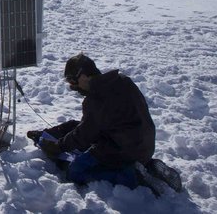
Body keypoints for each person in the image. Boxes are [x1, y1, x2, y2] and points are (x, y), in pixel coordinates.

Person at [28, 53, 182, 194]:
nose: (73, 87)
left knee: (76, 171)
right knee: (90, 141)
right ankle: (148, 167)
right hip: (145, 146)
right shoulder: (121, 81)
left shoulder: (96, 99)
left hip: (124, 151)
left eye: (72, 80)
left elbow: (84, 135)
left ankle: (132, 176)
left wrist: (58, 146)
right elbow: (88, 125)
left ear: (83, 76)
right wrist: (49, 133)